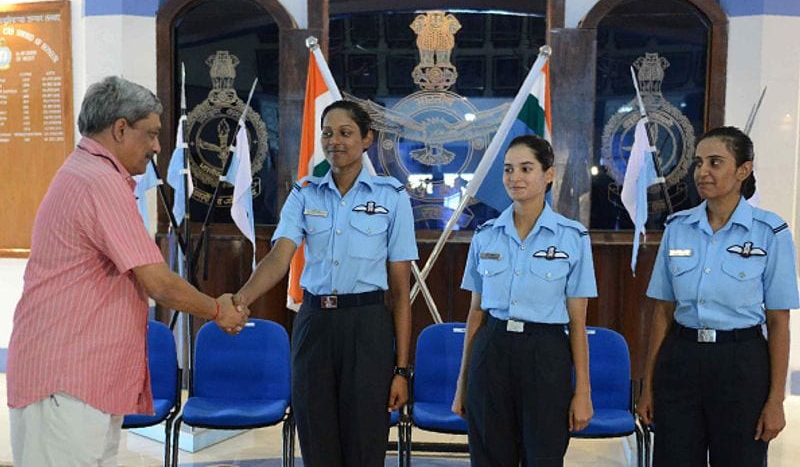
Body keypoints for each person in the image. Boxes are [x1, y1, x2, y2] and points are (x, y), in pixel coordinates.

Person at [6, 76, 249, 467]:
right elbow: (158, 283)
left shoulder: (91, 173)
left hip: (80, 380)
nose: (156, 147)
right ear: (120, 128)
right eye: (151, 134)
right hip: (65, 381)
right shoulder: (98, 181)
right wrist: (219, 311)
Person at [232, 99, 417, 467]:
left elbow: (400, 291)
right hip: (315, 324)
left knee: (365, 444)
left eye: (346, 133)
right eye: (328, 133)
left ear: (367, 139)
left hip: (367, 326)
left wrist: (400, 369)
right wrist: (239, 299)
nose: (335, 141)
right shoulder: (304, 194)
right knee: (317, 440)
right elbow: (279, 258)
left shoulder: (391, 198)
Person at [637, 126, 799, 466]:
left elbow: (778, 322)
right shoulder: (677, 228)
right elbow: (663, 313)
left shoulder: (771, 233)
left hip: (740, 363)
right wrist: (648, 386)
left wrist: (775, 400)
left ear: (743, 170)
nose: (702, 172)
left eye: (715, 162)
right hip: (681, 360)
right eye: (699, 163)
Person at [452, 134, 596, 466]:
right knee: (489, 457)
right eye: (508, 169)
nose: (515, 177)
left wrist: (583, 391)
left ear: (548, 175)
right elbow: (475, 314)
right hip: (491, 352)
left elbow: (578, 322)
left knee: (543, 457)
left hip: (545, 355)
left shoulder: (572, 238)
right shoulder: (486, 235)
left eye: (526, 168)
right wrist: (463, 383)